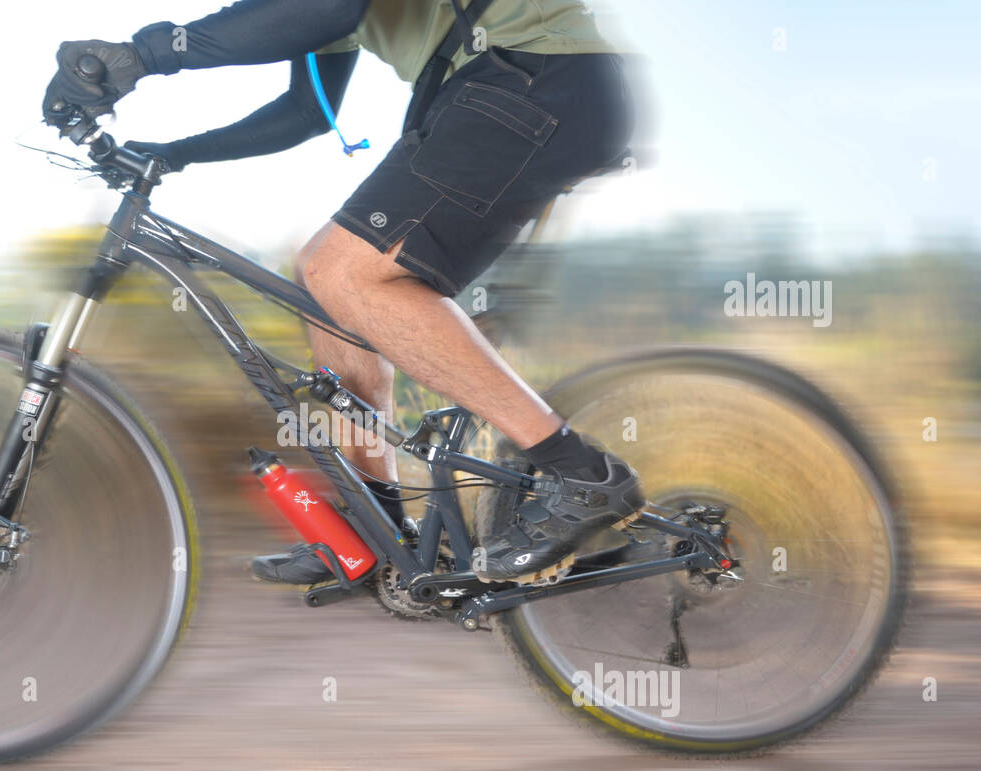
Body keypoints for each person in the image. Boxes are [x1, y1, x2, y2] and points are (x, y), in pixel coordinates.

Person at [43, 0, 645, 585]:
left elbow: (326, 10)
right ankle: (372, 528)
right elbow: (306, 109)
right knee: (329, 283)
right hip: (511, 89)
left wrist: (140, 55)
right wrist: (172, 155)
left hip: (535, 79)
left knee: (347, 271)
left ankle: (582, 475)